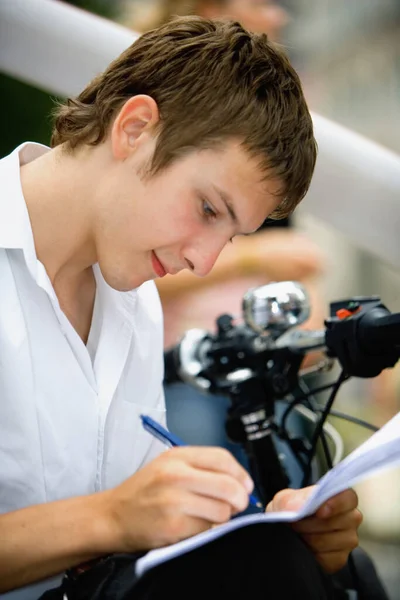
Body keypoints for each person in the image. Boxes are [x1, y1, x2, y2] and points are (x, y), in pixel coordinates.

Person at [0, 16, 364, 600]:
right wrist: (111, 517)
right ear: (136, 127)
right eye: (208, 210)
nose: (205, 262)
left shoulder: (134, 296)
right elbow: (117, 519)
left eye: (232, 236)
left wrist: (247, 519)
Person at [122, 0, 327, 473]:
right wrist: (260, 258)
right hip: (180, 370)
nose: (277, 18)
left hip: (269, 369)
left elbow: (287, 254)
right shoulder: (157, 106)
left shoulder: (269, 131)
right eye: (262, 2)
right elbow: (124, 271)